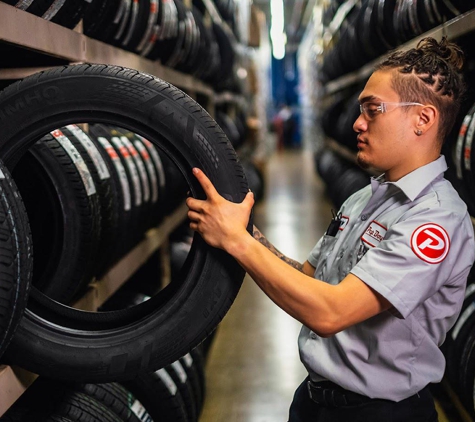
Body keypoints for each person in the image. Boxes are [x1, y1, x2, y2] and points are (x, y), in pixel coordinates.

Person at [186, 36, 475, 421]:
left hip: (379, 414)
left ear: (423, 119)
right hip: (314, 401)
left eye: (374, 110)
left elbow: (329, 312)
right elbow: (307, 278)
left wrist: (238, 243)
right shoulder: (364, 200)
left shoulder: (436, 221)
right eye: (360, 110)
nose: (357, 123)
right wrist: (249, 234)